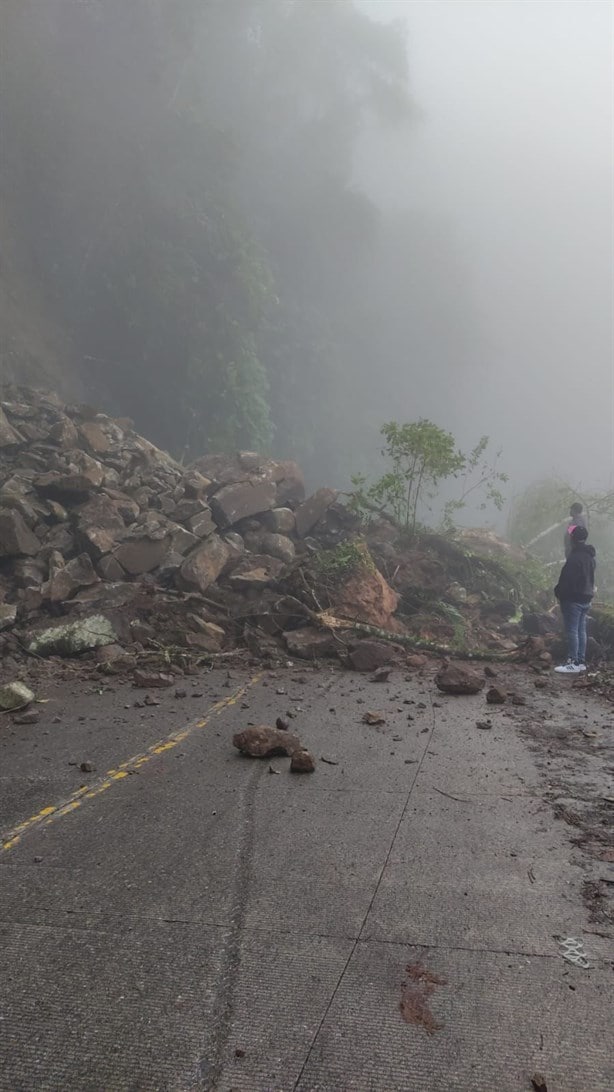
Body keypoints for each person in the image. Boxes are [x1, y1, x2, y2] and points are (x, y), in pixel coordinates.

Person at [554, 525, 596, 673]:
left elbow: (567, 581)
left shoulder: (575, 557)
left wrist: (558, 592)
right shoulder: (590, 557)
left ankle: (572, 662)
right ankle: (580, 662)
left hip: (573, 599)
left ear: (573, 538)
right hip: (586, 598)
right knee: (581, 630)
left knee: (572, 631)